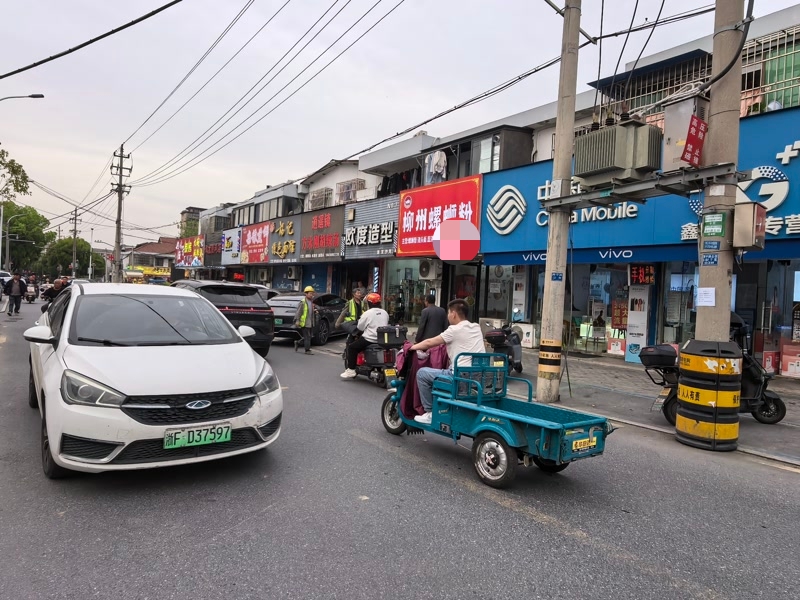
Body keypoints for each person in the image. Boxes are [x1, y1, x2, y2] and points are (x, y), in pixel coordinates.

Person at [408, 299, 485, 424]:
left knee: (422, 374)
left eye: (449, 313)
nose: (448, 316)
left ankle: (430, 413)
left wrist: (411, 347)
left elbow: (429, 342)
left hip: (459, 376)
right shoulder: (476, 327)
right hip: (477, 375)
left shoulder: (454, 330)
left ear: (454, 313)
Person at [341, 293, 390, 379]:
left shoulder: (367, 313)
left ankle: (351, 369)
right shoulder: (385, 312)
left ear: (369, 303)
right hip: (382, 339)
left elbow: (360, 327)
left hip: (369, 339)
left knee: (352, 348)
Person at [293, 286, 318, 354]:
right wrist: (297, 320)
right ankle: (307, 350)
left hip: (310, 322)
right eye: (310, 293)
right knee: (307, 337)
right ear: (306, 294)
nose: (311, 295)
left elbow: (310, 310)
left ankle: (297, 342)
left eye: (312, 293)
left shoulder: (311, 302)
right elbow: (299, 312)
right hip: (304, 322)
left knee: (308, 336)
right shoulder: (303, 302)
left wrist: (315, 311)